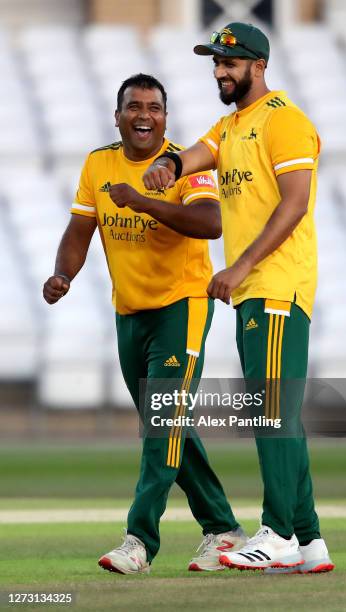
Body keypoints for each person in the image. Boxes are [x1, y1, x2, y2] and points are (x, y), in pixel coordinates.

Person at [142, 24, 335, 574]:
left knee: (272, 414)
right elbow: (198, 153)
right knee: (280, 416)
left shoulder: (286, 121)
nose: (220, 72)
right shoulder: (231, 125)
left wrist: (242, 265)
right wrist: (170, 167)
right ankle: (310, 540)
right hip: (255, 292)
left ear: (258, 65)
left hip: (276, 286)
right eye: (216, 63)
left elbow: (294, 204)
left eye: (230, 63)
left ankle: (275, 534)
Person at [43, 73, 246, 575]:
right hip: (129, 313)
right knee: (169, 425)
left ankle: (139, 541)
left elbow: (210, 223)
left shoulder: (186, 163)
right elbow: (79, 228)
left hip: (181, 307)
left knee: (162, 424)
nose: (143, 115)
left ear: (165, 118)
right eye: (134, 106)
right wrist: (62, 274)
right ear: (118, 116)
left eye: (154, 108)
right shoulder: (99, 163)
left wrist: (143, 201)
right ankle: (223, 528)